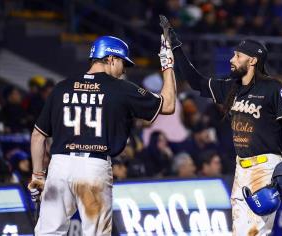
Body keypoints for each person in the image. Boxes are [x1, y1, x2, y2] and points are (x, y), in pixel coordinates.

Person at [159, 16, 282, 235]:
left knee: (255, 232)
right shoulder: (230, 88)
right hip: (241, 167)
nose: (232, 59)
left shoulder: (273, 88)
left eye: (238, 55)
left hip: (266, 167)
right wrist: (177, 47)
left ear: (252, 61)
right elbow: (196, 81)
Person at [27, 34, 176, 235]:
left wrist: (38, 174)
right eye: (123, 63)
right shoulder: (121, 89)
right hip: (93, 168)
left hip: (59, 167)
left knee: (48, 232)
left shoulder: (61, 87)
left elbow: (38, 136)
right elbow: (168, 105)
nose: (124, 69)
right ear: (111, 59)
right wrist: (167, 64)